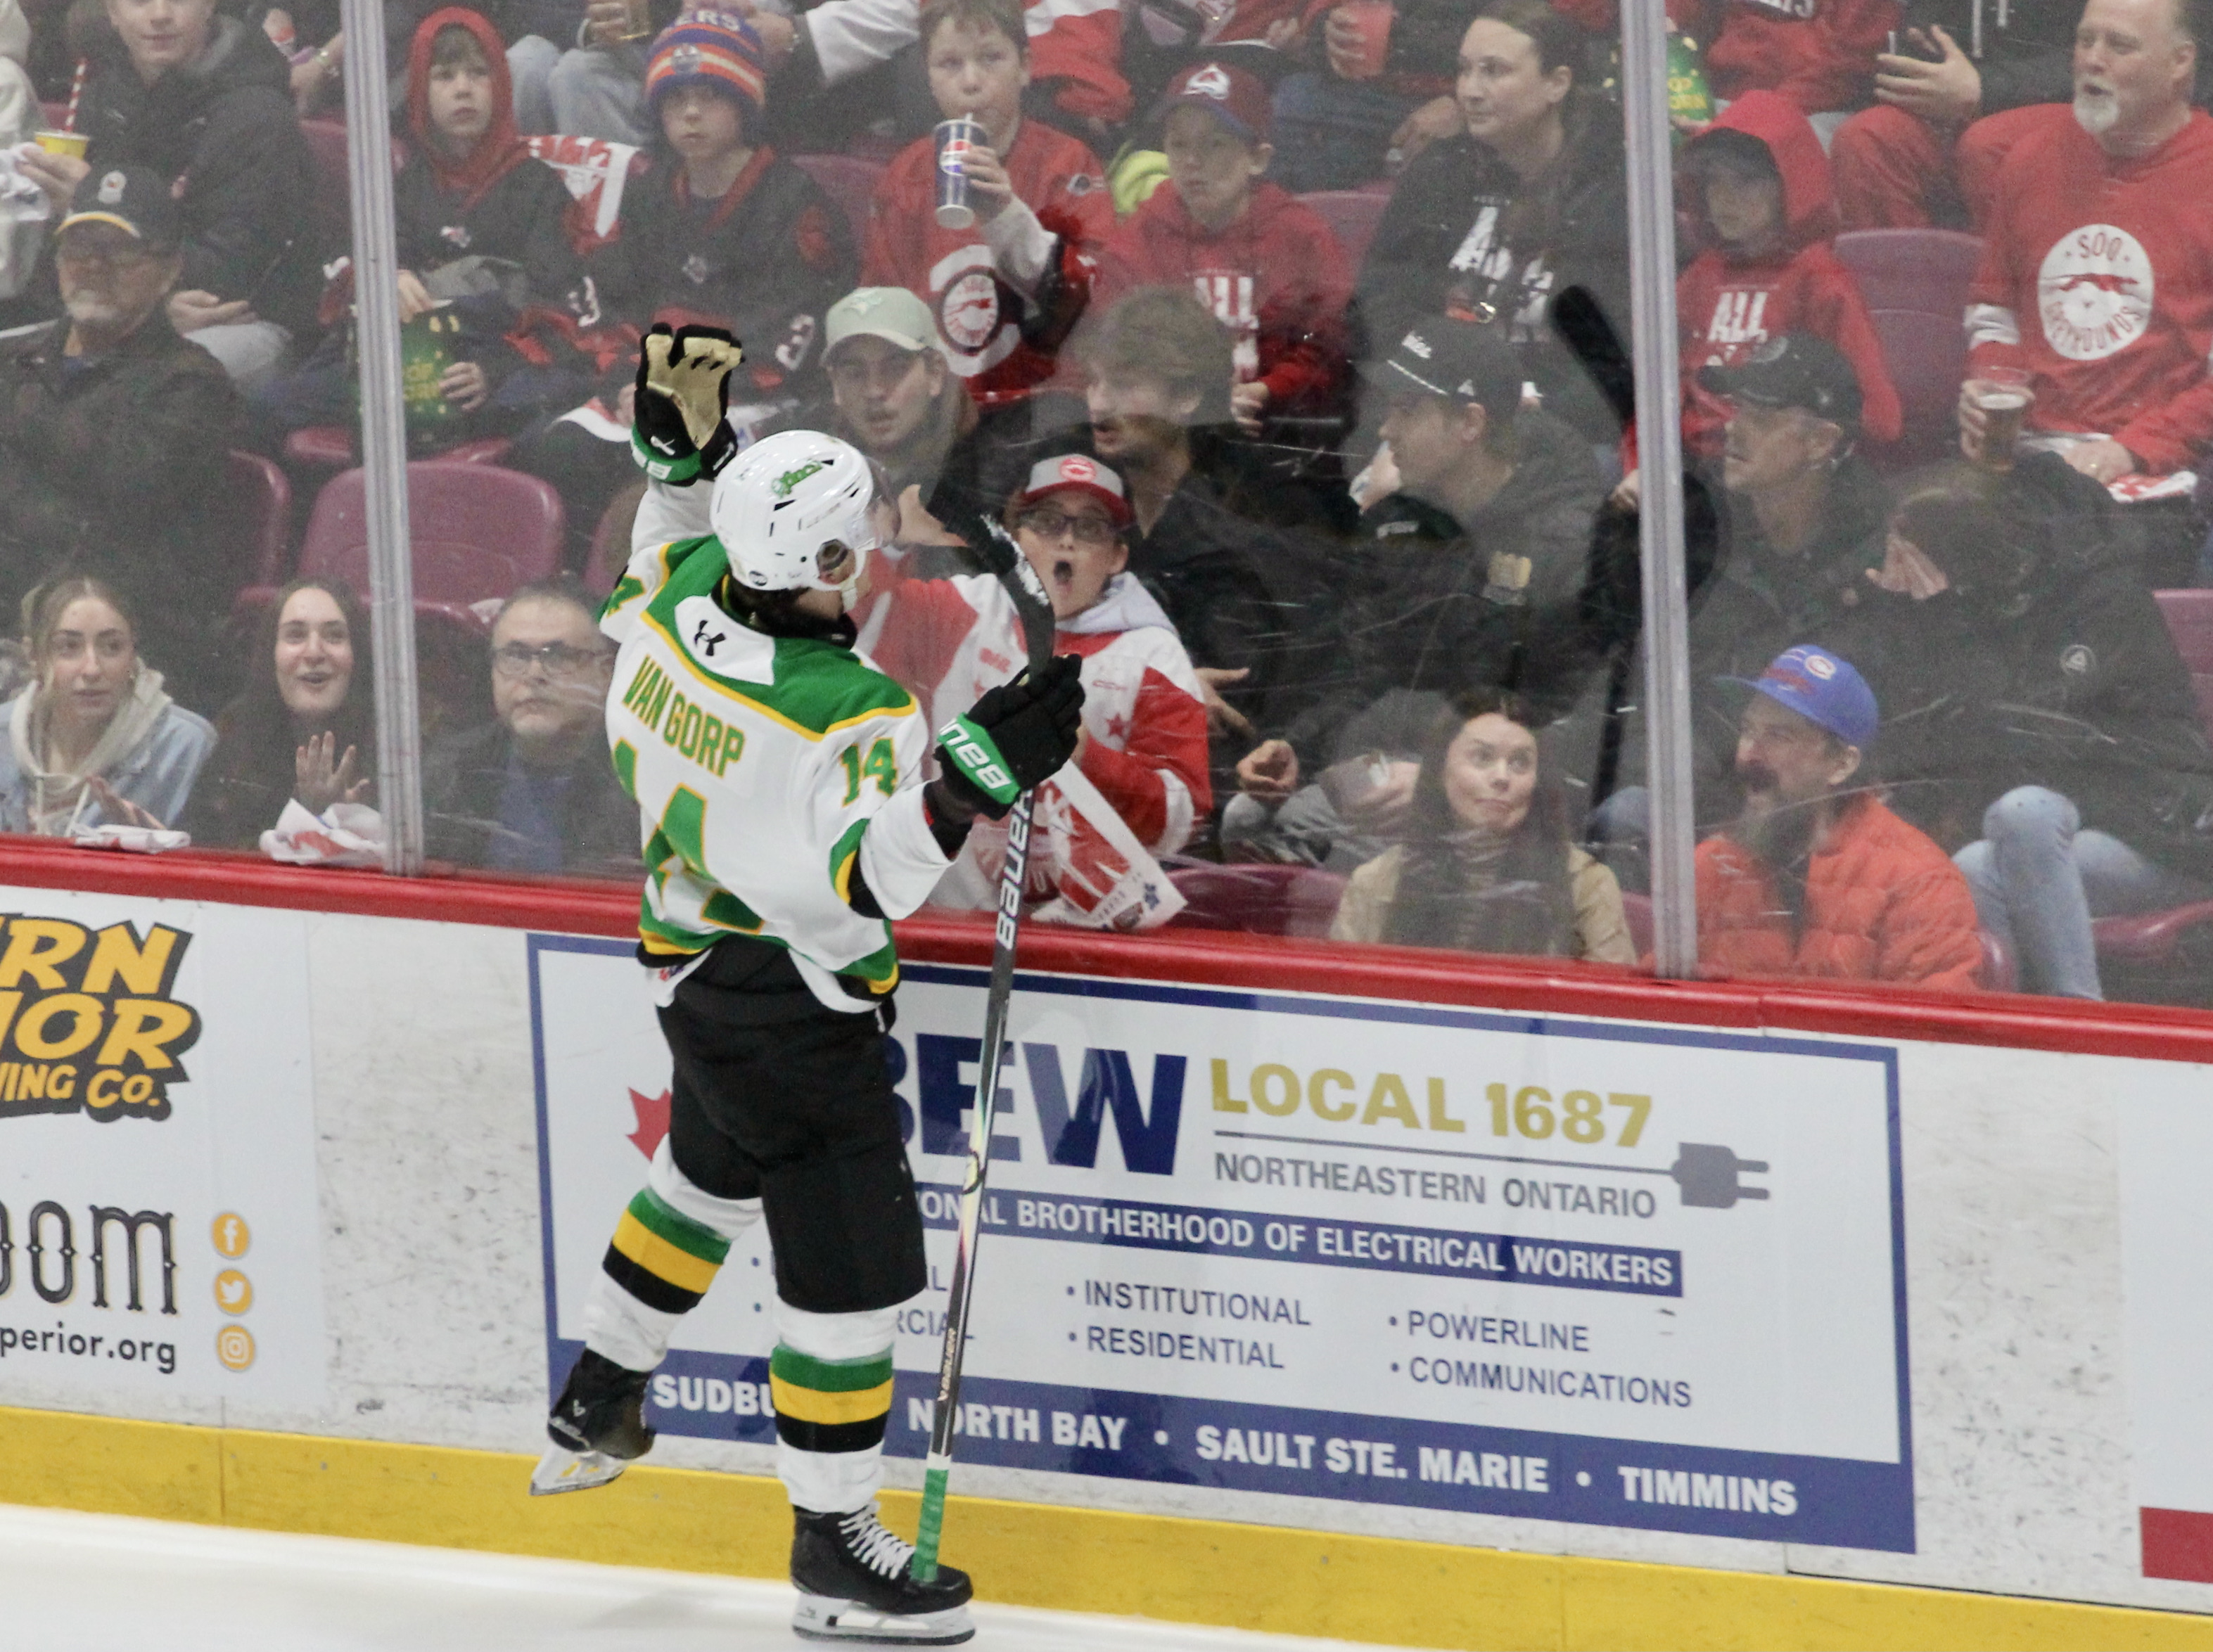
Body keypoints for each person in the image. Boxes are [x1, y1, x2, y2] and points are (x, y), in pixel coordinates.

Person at [538, 326, 1084, 1645]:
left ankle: (599, 1386)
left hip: (690, 965)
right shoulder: (850, 708)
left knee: (707, 1173)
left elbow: (678, 535)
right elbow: (867, 881)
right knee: (841, 1270)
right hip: (793, 1005)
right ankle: (834, 1542)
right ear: (830, 565)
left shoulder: (670, 604)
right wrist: (968, 775)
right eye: (858, 540)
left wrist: (679, 457)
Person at [1230, 316, 1610, 862]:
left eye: (1408, 410)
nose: (1386, 430)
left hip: (1500, 797)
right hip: (1398, 764)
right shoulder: (1404, 524)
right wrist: (1297, 748)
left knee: (1301, 830)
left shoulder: (1566, 544)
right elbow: (1364, 669)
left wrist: (1446, 777)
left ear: (1470, 424)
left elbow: (1579, 719)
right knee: (1249, 816)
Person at [509, 10, 855, 570]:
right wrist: (628, 380)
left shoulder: (794, 203)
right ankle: (589, 591)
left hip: (749, 402)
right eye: (675, 100)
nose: (690, 113)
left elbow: (788, 342)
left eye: (709, 97)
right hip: (650, 395)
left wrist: (683, 395)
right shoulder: (649, 193)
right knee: (554, 450)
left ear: (744, 103)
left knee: (683, 469)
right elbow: (617, 308)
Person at [1863, 459, 2213, 998]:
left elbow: (2025, 733)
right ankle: (2016, 1037)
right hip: (2080, 833)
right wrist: (1910, 618)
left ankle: (2079, 1026)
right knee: (1974, 864)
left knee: (2025, 810)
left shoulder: (2106, 600)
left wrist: (1945, 621)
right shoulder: (1983, 606)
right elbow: (1929, 742)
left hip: (2173, 829)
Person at [255, 9, 604, 452]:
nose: (463, 89)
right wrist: (386, 278)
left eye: (479, 74)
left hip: (485, 363)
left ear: (501, 84)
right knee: (270, 406)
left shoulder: (536, 187)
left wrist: (493, 369)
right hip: (399, 363)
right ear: (420, 92)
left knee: (499, 410)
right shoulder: (407, 184)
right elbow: (347, 262)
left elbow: (562, 309)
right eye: (444, 76)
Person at [867, 452, 1215, 892]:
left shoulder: (1154, 656)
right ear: (1013, 537)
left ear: (1117, 556)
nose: (1066, 543)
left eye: (1090, 529)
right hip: (950, 925)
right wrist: (893, 542)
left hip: (1083, 946)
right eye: (1048, 522)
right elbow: (850, 622)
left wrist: (1088, 758)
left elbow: (1182, 826)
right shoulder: (960, 609)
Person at [1960, 0, 2213, 585]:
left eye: (2119, 46)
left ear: (2180, 64)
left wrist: (2135, 448)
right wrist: (1991, 385)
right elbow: (1995, 310)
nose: (2092, 61)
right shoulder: (2030, 159)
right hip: (2026, 459)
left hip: (2155, 475)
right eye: (2084, 41)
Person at [0, 167, 241, 706]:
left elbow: (121, 497)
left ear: (169, 270)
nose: (93, 268)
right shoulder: (16, 364)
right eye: (79, 250)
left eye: (119, 253)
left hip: (120, 652)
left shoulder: (191, 384)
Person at [1353, 0, 1631, 444]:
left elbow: (1608, 370)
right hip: (1431, 412)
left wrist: (1514, 409)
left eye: (1494, 71)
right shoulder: (1441, 174)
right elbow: (1382, 305)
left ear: (1556, 83)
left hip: (1548, 435)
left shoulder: (1611, 197)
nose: (1470, 91)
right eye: (1464, 70)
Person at [15, 0, 319, 389]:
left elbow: (231, 279)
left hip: (249, 320)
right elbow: (58, 263)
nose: (159, 14)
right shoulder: (104, 92)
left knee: (127, 386)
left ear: (209, 6)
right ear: (112, 13)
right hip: (131, 304)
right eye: (139, 1)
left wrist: (88, 204)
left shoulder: (257, 114)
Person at [860, 0, 1113, 424]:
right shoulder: (904, 176)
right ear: (928, 77)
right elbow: (884, 310)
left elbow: (1093, 304)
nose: (972, 82)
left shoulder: (1069, 164)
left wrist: (1005, 214)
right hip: (939, 412)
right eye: (949, 64)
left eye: (991, 58)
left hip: (1046, 402)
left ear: (1026, 67)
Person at [1695, 643, 1986, 989]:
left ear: (1842, 765)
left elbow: (1935, 1035)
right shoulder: (1712, 866)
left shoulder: (1918, 883)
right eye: (1748, 730)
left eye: (1778, 735)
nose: (1747, 755)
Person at [1077, 286, 1284, 763]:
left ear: (1188, 395)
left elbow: (1238, 700)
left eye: (1124, 385)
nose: (1100, 404)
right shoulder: (1079, 494)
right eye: (1095, 382)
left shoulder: (1249, 519)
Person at [1095, 60, 1354, 435]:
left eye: (1214, 144)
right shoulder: (1144, 233)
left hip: (1277, 436)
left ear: (1258, 158)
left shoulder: (1302, 236)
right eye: (1178, 143)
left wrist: (1267, 390)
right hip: (1171, 431)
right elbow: (1111, 339)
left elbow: (1330, 348)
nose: (1191, 161)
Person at [1671, 92, 1903, 458]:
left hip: (1771, 466)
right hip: (1693, 458)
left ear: (1789, 185)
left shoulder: (1816, 277)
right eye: (1714, 182)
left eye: (1745, 183)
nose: (1725, 199)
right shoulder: (1703, 273)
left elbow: (1878, 418)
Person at [1332, 688, 1637, 961]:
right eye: (1482, 757)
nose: (1502, 777)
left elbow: (1610, 1011)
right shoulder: (1377, 882)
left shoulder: (1585, 884)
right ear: (1441, 771)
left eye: (1519, 763)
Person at [423, 577, 638, 873]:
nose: (534, 673)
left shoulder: (642, 781)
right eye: (516, 655)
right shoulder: (448, 770)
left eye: (559, 656)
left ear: (605, 673)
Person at [1829, 0, 2081, 229]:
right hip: (1956, 109)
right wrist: (1920, 62)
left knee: (1986, 145)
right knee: (1867, 137)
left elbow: (2100, 59)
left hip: (2059, 107)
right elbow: (1916, 35)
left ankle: (2004, 276)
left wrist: (1985, 88)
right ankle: (1904, 273)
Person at [0, 576, 215, 836]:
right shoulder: (5, 733)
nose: (92, 669)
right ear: (34, 656)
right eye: (69, 647)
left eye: (112, 647)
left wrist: (161, 856)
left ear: (133, 652)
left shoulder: (184, 746)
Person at [182, 577, 377, 847]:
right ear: (270, 655)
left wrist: (344, 822)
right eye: (296, 635)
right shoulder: (237, 730)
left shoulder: (404, 744)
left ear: (358, 655)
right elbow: (206, 850)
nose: (314, 653)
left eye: (334, 636)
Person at [817, 286, 994, 565]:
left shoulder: (987, 478)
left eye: (894, 368)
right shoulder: (813, 481)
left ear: (935, 372)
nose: (874, 391)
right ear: (835, 385)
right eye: (854, 373)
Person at [1268, 0, 1483, 193]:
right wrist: (1329, 32)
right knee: (1286, 103)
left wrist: (1463, 104)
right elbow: (1328, 15)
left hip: (1452, 98)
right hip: (1361, 91)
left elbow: (1508, 37)